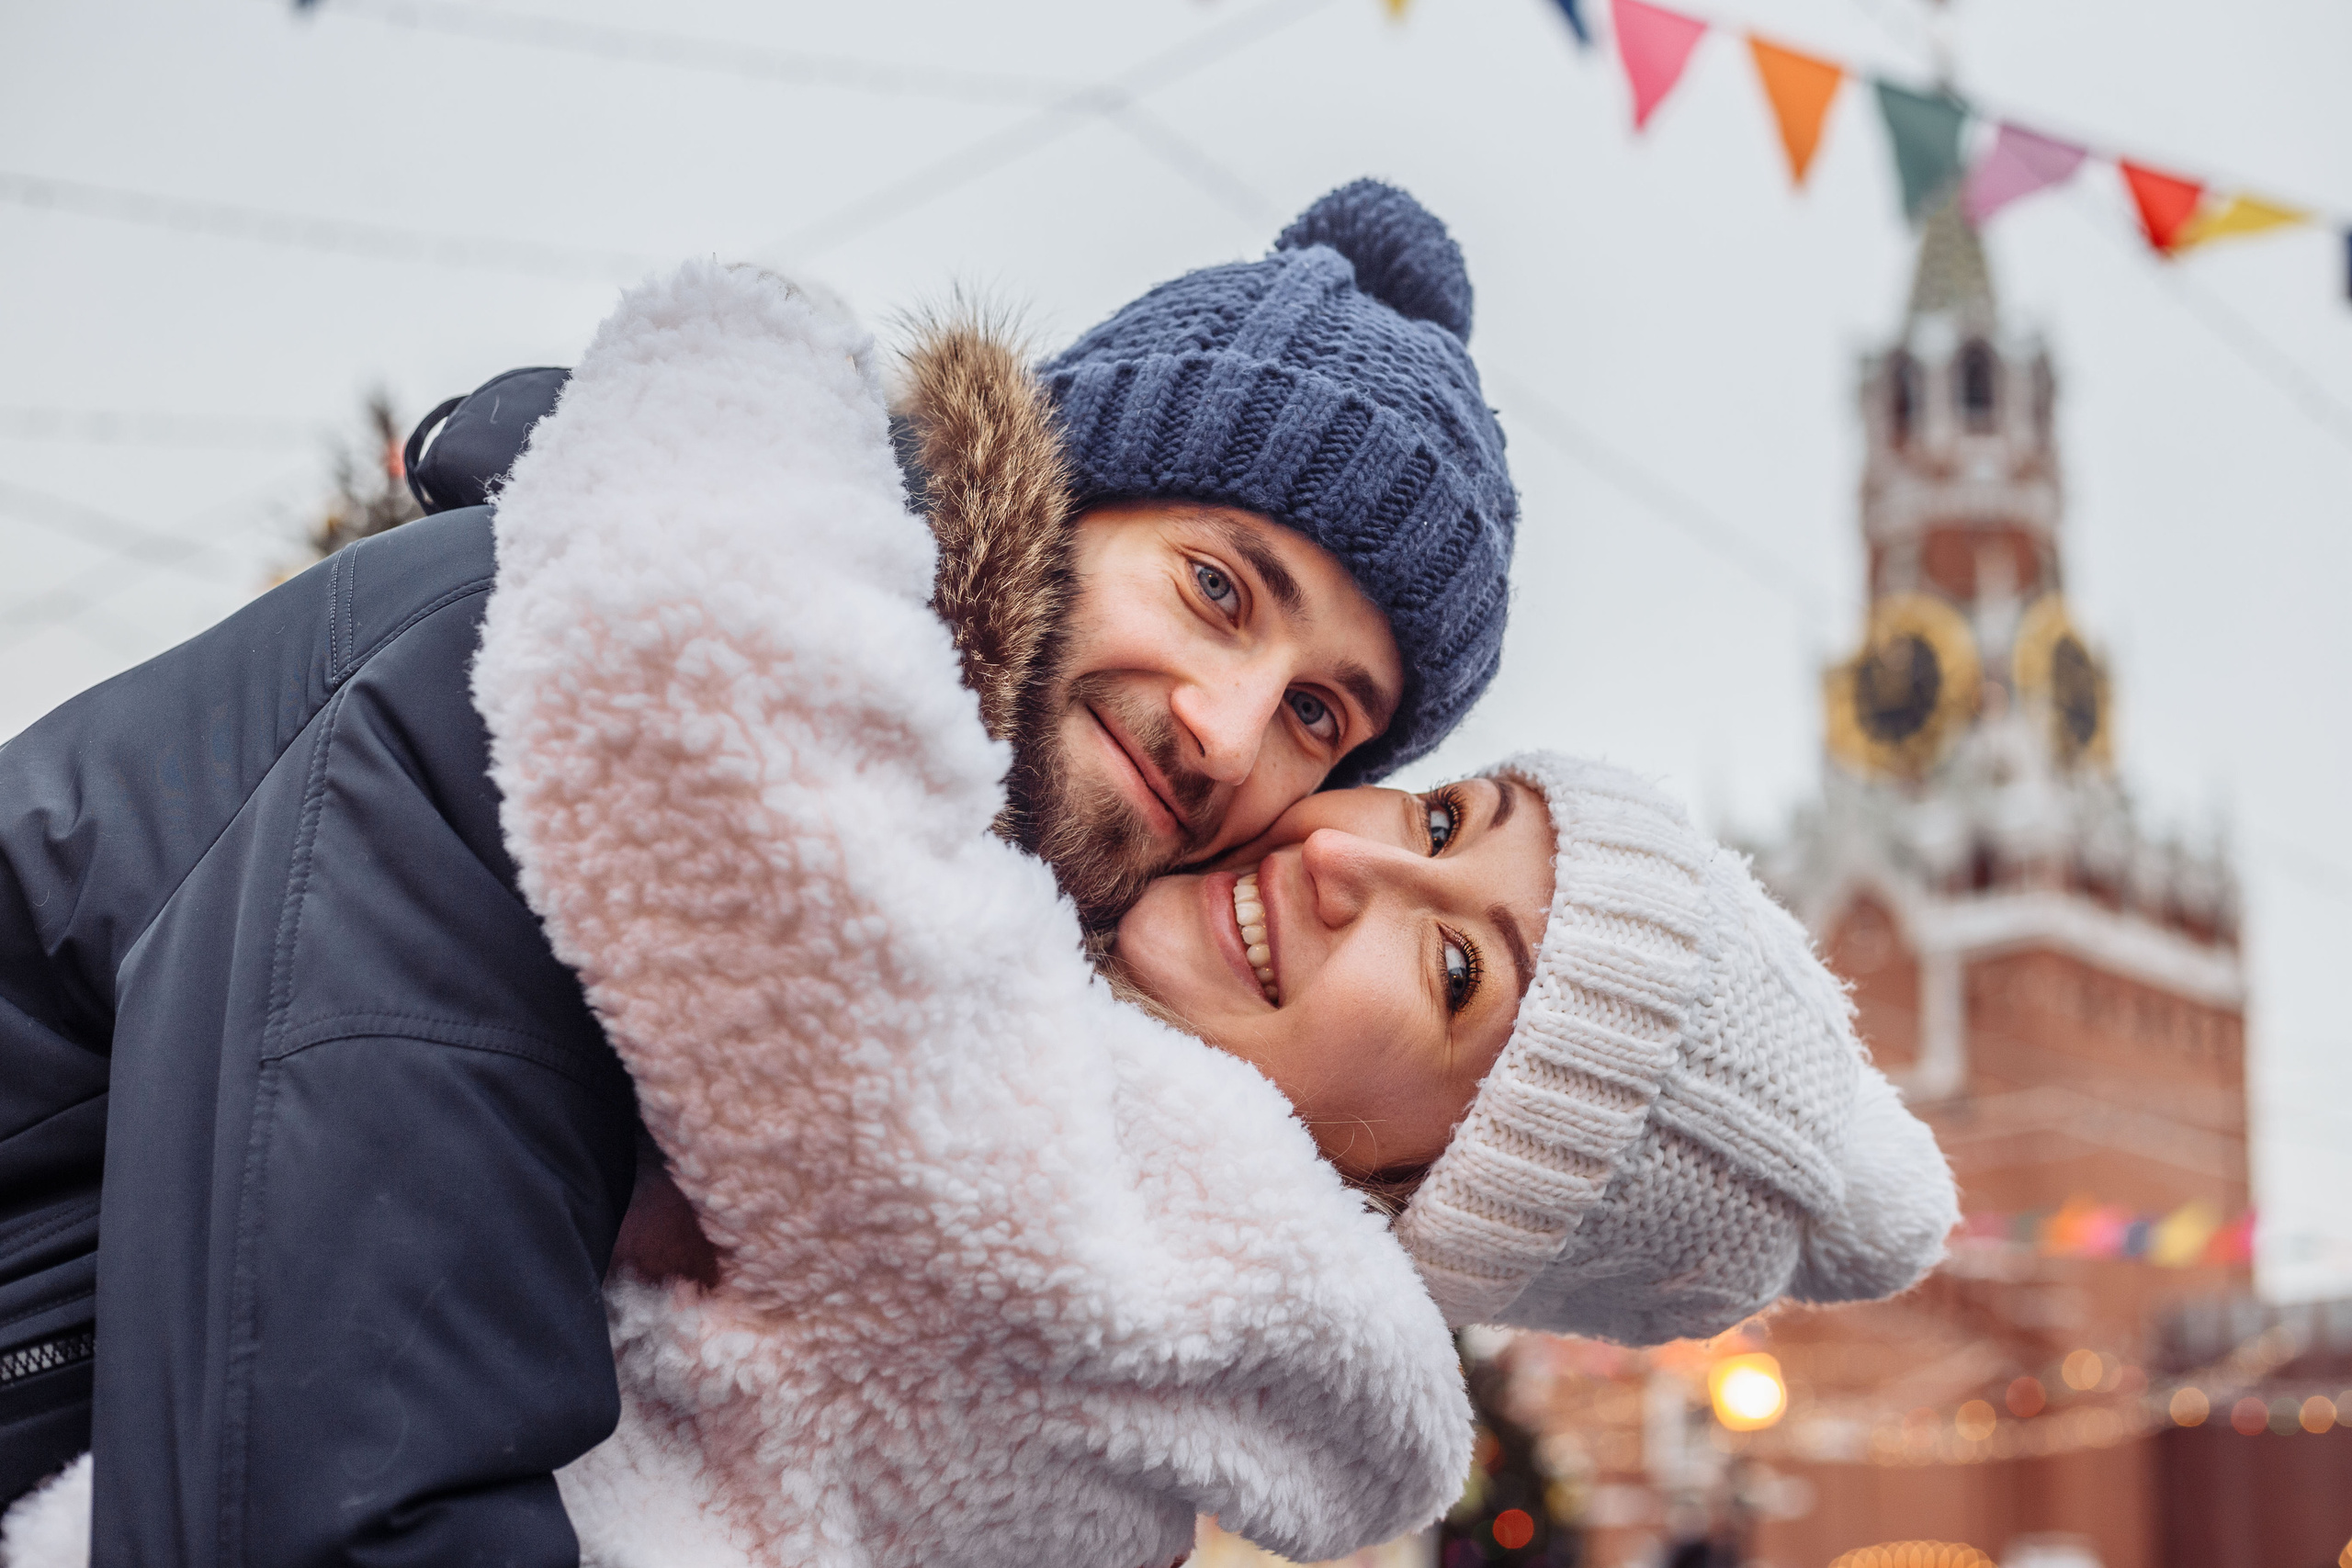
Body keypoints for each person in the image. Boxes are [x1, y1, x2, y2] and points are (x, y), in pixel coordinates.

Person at [3, 257, 1952, 1568]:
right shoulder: (624, 684)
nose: (1231, 740)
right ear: (1071, 497)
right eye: (1213, 587)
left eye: (1324, 717)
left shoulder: (949, 1055)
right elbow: (328, 1469)